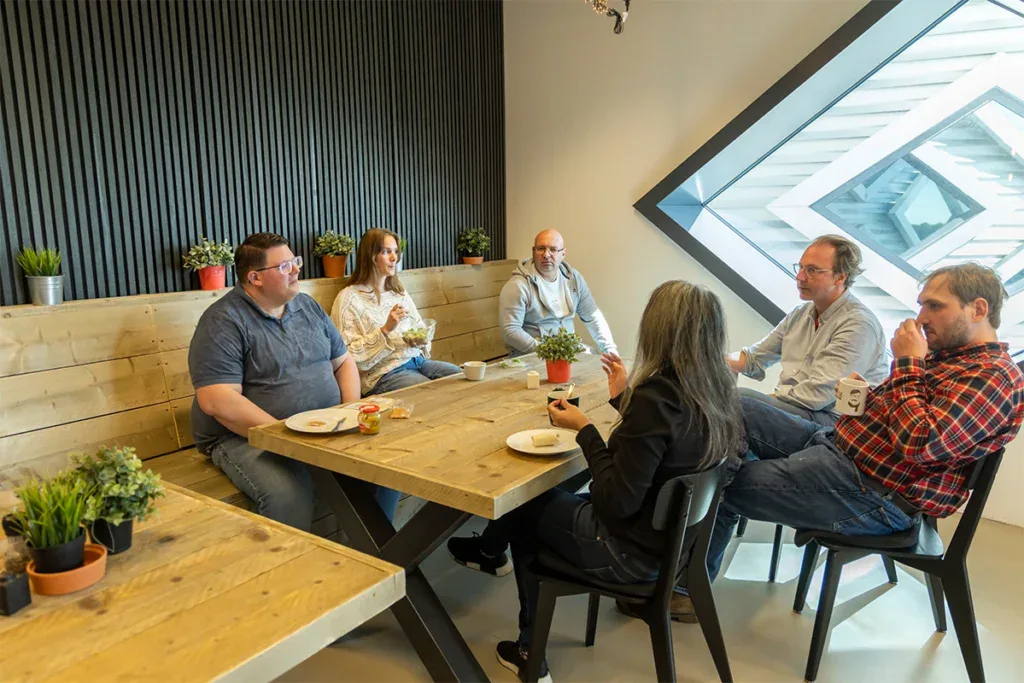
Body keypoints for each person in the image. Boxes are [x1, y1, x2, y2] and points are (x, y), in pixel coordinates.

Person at [450, 281, 743, 682]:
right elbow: (667, 449)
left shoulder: (657, 396)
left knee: (523, 507)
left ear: (658, 329)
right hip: (674, 554)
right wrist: (624, 400)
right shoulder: (715, 390)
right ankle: (492, 557)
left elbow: (615, 502)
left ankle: (528, 649)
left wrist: (584, 427)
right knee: (544, 501)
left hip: (628, 556)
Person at [704, 262, 1024, 586]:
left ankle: (685, 586)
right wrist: (869, 396)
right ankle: (711, 480)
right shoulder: (946, 356)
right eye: (923, 305)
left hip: (872, 493)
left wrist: (907, 364)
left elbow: (920, 442)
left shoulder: (994, 376)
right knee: (737, 403)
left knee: (715, 483)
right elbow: (903, 412)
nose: (923, 317)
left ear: (978, 309)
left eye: (935, 306)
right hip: (837, 449)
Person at [188, 233, 361, 531]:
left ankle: (376, 561)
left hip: (323, 425)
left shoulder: (307, 306)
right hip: (245, 437)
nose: (296, 270)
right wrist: (282, 437)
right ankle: (290, 574)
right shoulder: (223, 321)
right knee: (288, 493)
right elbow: (217, 400)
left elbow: (343, 362)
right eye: (285, 266)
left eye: (295, 261)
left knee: (378, 470)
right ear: (254, 277)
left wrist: (349, 412)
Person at [727, 235, 888, 428]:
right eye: (801, 267)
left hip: (831, 423)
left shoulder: (859, 325)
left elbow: (816, 396)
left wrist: (759, 402)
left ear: (840, 277)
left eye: (812, 270)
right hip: (798, 409)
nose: (800, 277)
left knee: (739, 401)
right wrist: (711, 361)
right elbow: (754, 357)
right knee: (726, 401)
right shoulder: (800, 313)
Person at [330, 227, 461, 397]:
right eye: (386, 252)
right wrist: (385, 330)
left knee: (461, 377)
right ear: (370, 256)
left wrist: (421, 338)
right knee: (430, 393)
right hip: (383, 374)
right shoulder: (349, 299)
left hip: (417, 361)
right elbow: (348, 357)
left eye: (396, 252)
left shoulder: (398, 291)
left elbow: (419, 326)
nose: (394, 258)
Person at [499, 229, 618, 357]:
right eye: (541, 248)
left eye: (553, 249)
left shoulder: (574, 279)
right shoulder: (518, 286)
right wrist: (549, 353)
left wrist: (610, 350)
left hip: (567, 352)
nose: (546, 254)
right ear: (533, 252)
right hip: (531, 357)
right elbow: (510, 331)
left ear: (563, 253)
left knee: (599, 364)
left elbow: (592, 317)